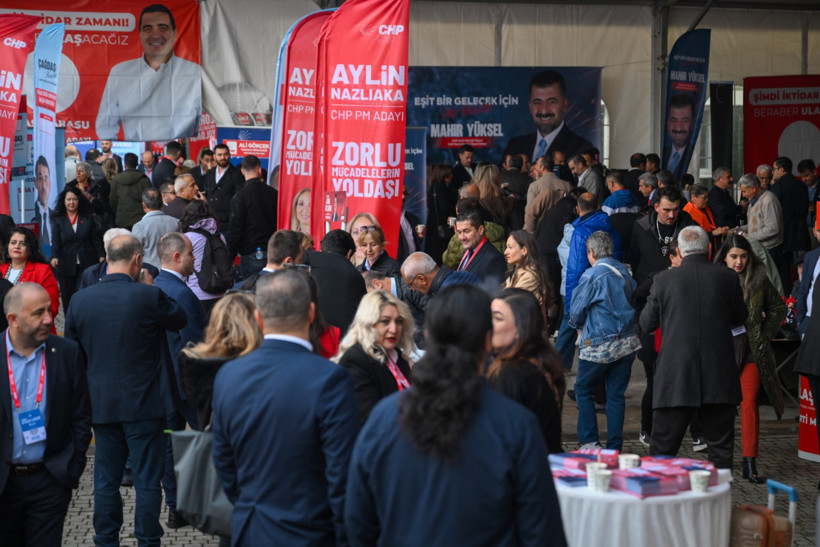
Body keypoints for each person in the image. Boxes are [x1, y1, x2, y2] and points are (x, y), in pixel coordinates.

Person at [345, 284, 567, 546]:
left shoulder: (384, 418)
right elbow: (542, 532)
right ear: (487, 340)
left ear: (427, 335)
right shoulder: (516, 426)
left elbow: (358, 524)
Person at [212, 269, 359, 545]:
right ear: (312, 313)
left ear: (258, 318)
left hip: (250, 530)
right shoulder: (330, 378)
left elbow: (223, 462)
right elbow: (342, 475)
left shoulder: (229, 375)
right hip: (312, 532)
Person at [65, 234, 186, 546]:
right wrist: (149, 287)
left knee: (105, 479)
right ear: (137, 261)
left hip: (101, 404)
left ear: (106, 258)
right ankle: (147, 540)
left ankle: (105, 539)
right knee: (147, 481)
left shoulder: (80, 300)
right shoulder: (147, 296)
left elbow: (74, 356)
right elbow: (179, 317)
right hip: (146, 405)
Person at [640, 226, 747, 469]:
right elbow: (740, 317)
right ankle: (718, 505)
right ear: (709, 248)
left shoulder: (663, 280)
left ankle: (659, 504)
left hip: (675, 376)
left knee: (661, 456)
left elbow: (646, 323)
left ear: (679, 250)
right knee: (720, 453)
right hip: (718, 376)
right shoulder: (727, 278)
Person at [0, 284, 92, 546]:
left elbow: (81, 416)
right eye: (39, 313)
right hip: (3, 485)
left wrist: (70, 468)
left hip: (49, 481)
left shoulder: (67, 353)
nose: (49, 319)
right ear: (13, 320)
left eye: (50, 311)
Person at [714, 234, 785, 483]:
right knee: (721, 407)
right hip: (722, 351)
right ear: (724, 257)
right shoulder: (716, 279)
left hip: (752, 351)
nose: (739, 262)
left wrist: (764, 335)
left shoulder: (759, 278)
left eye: (743, 256)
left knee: (749, 403)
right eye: (733, 256)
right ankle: (721, 462)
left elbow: (779, 307)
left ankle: (749, 462)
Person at [153, 232, 207, 527]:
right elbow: (191, 344)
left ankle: (176, 508)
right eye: (190, 254)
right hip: (185, 386)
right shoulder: (181, 293)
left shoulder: (154, 287)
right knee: (204, 442)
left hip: (163, 386)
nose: (194, 259)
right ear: (177, 256)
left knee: (167, 448)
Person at [569, 231, 640, 451]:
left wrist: (578, 326)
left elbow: (576, 312)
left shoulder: (592, 275)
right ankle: (614, 447)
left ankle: (590, 442)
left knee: (583, 390)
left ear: (591, 252)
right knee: (616, 395)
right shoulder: (625, 272)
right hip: (628, 343)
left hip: (599, 346)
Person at [96, 4, 201, 141]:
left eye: (163, 28)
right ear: (140, 35)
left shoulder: (194, 73)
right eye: (148, 29)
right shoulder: (120, 72)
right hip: (136, 156)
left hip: (179, 155)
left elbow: (203, 120)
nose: (156, 35)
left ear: (175, 34)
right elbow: (105, 125)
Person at [487, 288, 564, 454]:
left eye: (497, 318)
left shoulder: (512, 373)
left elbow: (504, 440)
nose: (489, 325)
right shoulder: (543, 361)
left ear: (521, 326)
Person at [335, 290, 415, 423]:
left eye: (398, 321)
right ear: (368, 323)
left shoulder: (397, 356)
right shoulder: (355, 360)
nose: (394, 329)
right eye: (385, 321)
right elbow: (369, 418)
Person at [504, 69, 594, 162]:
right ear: (530, 106)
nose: (544, 111)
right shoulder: (515, 146)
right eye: (537, 102)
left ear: (565, 105)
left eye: (552, 102)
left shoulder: (582, 149)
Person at [301, 230, 368, 338]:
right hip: (340, 341)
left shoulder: (307, 258)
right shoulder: (357, 276)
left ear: (323, 247)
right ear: (349, 253)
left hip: (305, 333)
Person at [49, 187, 105, 310]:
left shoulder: (87, 217)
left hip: (86, 261)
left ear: (79, 201)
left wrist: (101, 254)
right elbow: (56, 241)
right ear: (64, 201)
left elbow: (95, 239)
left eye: (74, 199)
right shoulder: (58, 219)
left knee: (84, 293)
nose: (71, 202)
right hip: (66, 263)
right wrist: (54, 257)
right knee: (67, 296)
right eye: (68, 199)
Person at [227, 155, 278, 280]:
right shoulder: (274, 194)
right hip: (272, 252)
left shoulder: (239, 197)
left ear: (242, 171)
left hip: (250, 253)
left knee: (251, 294)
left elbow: (236, 230)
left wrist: (230, 257)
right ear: (259, 170)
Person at [0, 228, 60, 329]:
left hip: (34, 330)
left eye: (22, 243)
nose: (17, 246)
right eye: (13, 243)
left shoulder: (43, 271)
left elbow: (52, 307)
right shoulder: (1, 269)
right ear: (8, 246)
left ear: (30, 248)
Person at [179, 199, 227, 314]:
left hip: (196, 293)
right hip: (220, 293)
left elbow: (181, 267)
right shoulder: (220, 236)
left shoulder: (188, 238)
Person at [202, 144, 246, 235]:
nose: (223, 157)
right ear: (214, 156)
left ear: (229, 155)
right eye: (219, 155)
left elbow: (239, 198)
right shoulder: (210, 173)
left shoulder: (237, 174)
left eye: (225, 154)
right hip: (211, 222)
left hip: (228, 224)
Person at [503, 229, 552, 311]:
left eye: (510, 247)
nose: (505, 252)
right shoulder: (517, 269)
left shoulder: (530, 275)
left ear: (524, 250)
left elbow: (510, 302)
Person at [454, 208, 507, 283]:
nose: (462, 237)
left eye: (466, 231)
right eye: (459, 232)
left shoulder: (493, 259)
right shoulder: (466, 252)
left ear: (481, 230)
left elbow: (495, 292)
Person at [132, 187, 179, 267]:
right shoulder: (177, 222)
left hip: (150, 272)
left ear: (144, 205)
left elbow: (135, 253)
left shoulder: (139, 227)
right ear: (161, 204)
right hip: (174, 270)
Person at [401, 251, 480, 297]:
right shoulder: (464, 275)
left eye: (411, 285)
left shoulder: (445, 298)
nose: (413, 289)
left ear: (422, 279)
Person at [110, 152, 152, 230]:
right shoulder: (144, 179)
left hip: (122, 219)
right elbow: (150, 200)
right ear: (137, 164)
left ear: (125, 164)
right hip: (140, 219)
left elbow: (113, 201)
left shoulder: (116, 180)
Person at [662, 94, 696, 180]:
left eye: (685, 120)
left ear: (692, 124)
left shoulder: (694, 154)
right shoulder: (662, 152)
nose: (679, 128)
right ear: (667, 123)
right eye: (674, 120)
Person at [32, 156, 55, 250]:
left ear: (50, 184)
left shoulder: (55, 215)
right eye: (40, 179)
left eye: (46, 179)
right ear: (36, 182)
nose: (44, 186)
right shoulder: (31, 213)